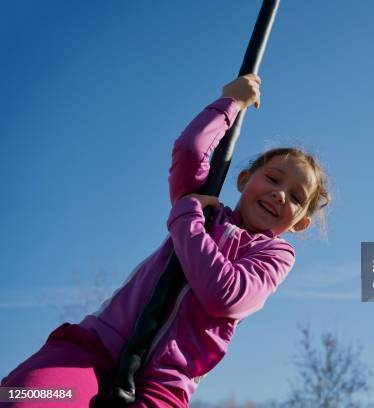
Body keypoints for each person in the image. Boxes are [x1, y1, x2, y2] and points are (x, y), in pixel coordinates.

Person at [1, 74, 331, 407]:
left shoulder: (274, 253)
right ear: (244, 179)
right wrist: (230, 103)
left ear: (300, 223)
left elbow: (225, 295)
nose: (279, 194)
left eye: (294, 196)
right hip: (96, 345)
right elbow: (190, 150)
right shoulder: (206, 206)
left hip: (165, 384)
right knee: (23, 397)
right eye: (273, 179)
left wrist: (186, 218)